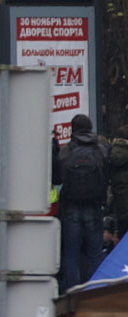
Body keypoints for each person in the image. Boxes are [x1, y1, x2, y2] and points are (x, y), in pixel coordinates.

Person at [56, 114, 110, 290]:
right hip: (94, 208)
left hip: (71, 207)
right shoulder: (101, 150)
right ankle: (95, 293)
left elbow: (58, 177)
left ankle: (72, 294)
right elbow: (106, 177)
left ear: (73, 129)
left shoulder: (66, 150)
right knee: (95, 253)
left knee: (71, 254)